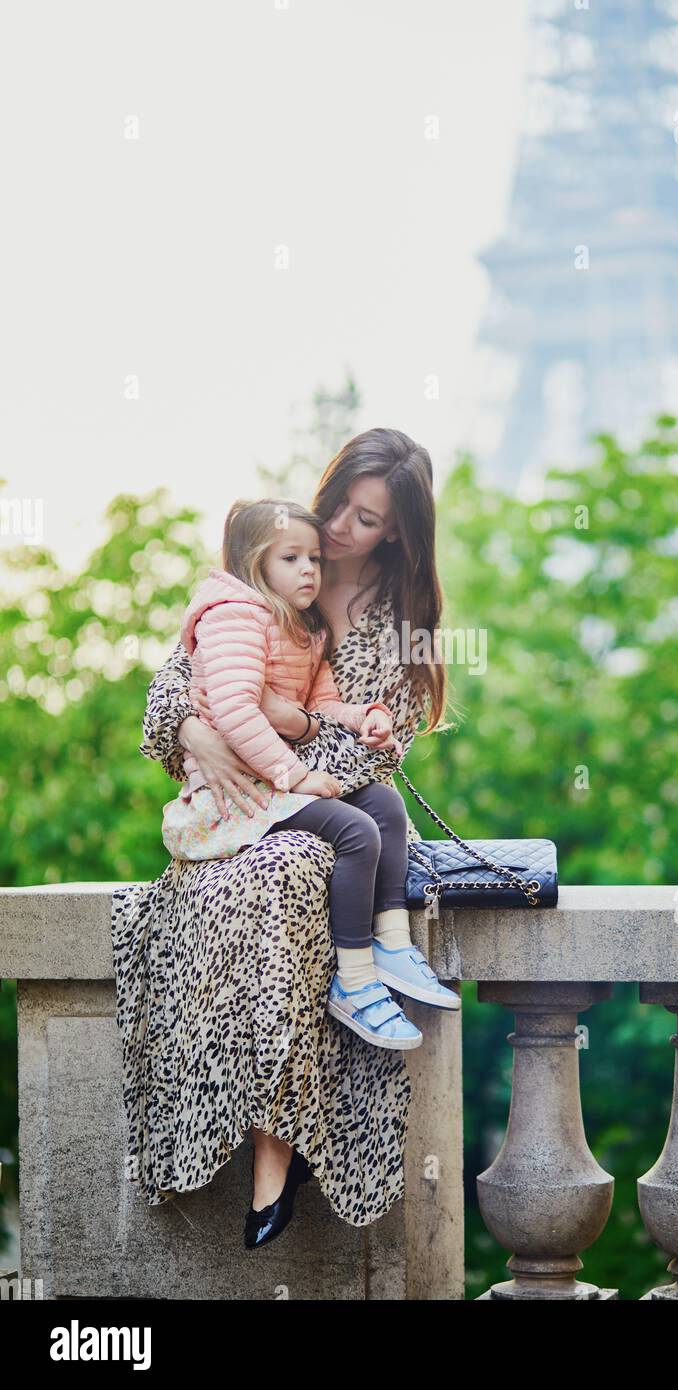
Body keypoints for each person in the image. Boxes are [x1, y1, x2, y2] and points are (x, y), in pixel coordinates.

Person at [110, 427, 453, 1242]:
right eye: (339, 504)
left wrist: (284, 718)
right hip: (246, 811)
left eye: (365, 521)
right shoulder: (266, 562)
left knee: (301, 872)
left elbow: (375, 749)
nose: (339, 531)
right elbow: (175, 692)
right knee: (278, 880)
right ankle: (271, 1143)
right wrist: (195, 731)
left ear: (398, 532)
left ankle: (280, 1145)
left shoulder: (401, 620)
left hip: (317, 809)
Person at [160, 494, 459, 1050]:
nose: (309, 569)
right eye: (292, 559)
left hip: (279, 784)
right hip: (237, 797)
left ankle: (391, 944)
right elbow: (232, 708)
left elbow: (322, 707)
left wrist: (365, 717)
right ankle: (356, 980)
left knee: (385, 807)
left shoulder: (306, 624)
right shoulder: (236, 617)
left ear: (396, 533)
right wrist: (293, 772)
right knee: (355, 829)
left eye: (313, 559)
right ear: (256, 565)